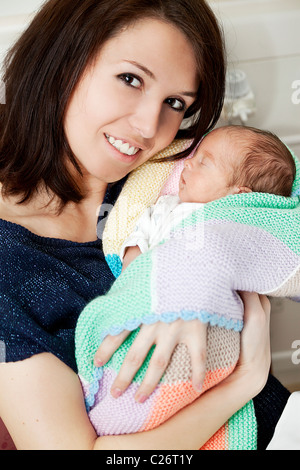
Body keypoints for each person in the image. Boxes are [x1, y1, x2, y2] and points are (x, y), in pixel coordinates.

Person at [0, 0, 289, 450]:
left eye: (175, 103)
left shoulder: (174, 167)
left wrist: (208, 255)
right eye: (130, 79)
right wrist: (244, 382)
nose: (148, 127)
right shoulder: (10, 264)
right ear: (62, 61)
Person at [120, 125, 296, 270]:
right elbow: (140, 233)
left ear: (239, 196)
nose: (188, 162)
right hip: (151, 281)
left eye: (203, 163)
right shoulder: (167, 204)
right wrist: (133, 263)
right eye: (195, 156)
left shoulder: (234, 225)